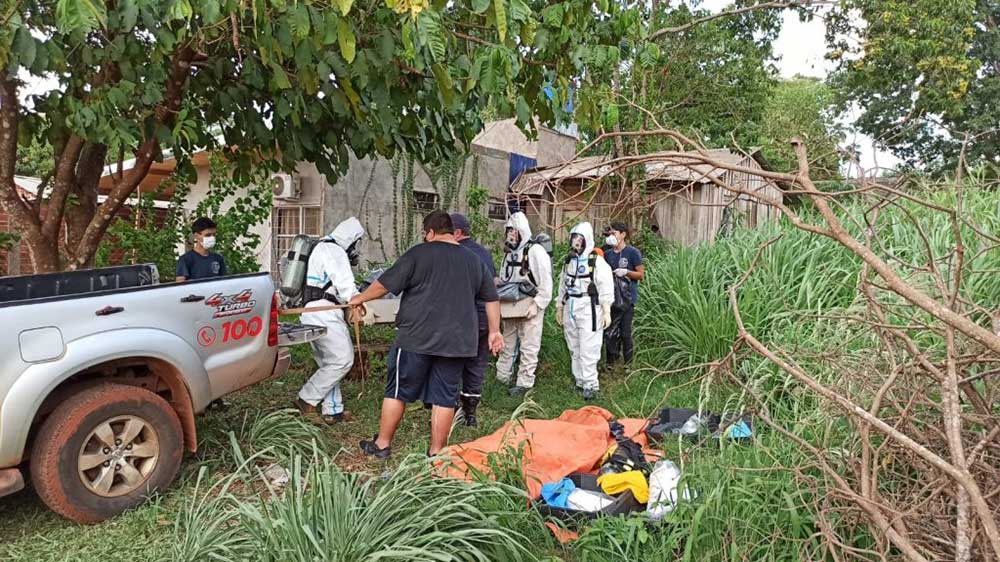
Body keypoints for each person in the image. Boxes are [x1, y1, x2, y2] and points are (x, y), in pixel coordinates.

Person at [349, 211, 503, 458]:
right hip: (457, 342)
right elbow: (492, 299)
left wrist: (360, 298)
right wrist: (494, 332)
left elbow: (385, 284)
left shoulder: (418, 254)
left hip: (416, 336)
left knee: (397, 390)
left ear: (430, 232)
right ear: (452, 232)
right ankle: (437, 452)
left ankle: (382, 445)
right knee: (444, 397)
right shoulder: (474, 260)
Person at [294, 217, 365, 425]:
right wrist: (358, 300)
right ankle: (306, 399)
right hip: (324, 311)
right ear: (351, 239)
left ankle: (333, 410)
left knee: (328, 362)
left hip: (312, 310)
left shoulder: (321, 246)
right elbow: (345, 285)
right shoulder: (334, 250)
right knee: (342, 359)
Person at [496, 212, 553, 396]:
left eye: (514, 231)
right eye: (509, 231)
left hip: (530, 304)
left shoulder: (535, 251)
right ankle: (502, 377)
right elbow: (506, 278)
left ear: (522, 231)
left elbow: (546, 282)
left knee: (529, 346)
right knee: (507, 343)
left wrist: (537, 304)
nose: (511, 234)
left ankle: (525, 383)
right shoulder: (509, 253)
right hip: (511, 304)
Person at [555, 221, 614, 400]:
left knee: (589, 347)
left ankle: (590, 384)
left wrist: (606, 309)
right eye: (574, 239)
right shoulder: (569, 261)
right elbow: (563, 284)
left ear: (586, 240)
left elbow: (605, 286)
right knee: (574, 346)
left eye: (579, 240)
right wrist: (559, 307)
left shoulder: (596, 262)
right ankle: (580, 381)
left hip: (589, 308)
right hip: (571, 306)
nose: (576, 243)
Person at [450, 212, 497, 427]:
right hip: (484, 318)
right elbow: (493, 285)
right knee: (476, 364)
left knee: (451, 363)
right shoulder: (483, 253)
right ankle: (471, 415)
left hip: (461, 318)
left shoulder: (454, 253)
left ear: (458, 233)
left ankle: (450, 411)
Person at [604, 222, 644, 366]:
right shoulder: (607, 254)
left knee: (625, 332)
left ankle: (628, 364)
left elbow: (640, 275)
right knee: (610, 332)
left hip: (627, 299)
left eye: (614, 233)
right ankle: (610, 363)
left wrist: (626, 272)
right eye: (610, 233)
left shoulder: (632, 253)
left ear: (623, 234)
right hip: (611, 299)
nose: (611, 236)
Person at [176, 217, 226, 281]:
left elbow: (223, 281)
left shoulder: (218, 258)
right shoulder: (185, 259)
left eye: (214, 235)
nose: (212, 238)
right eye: (208, 235)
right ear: (196, 236)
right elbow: (180, 284)